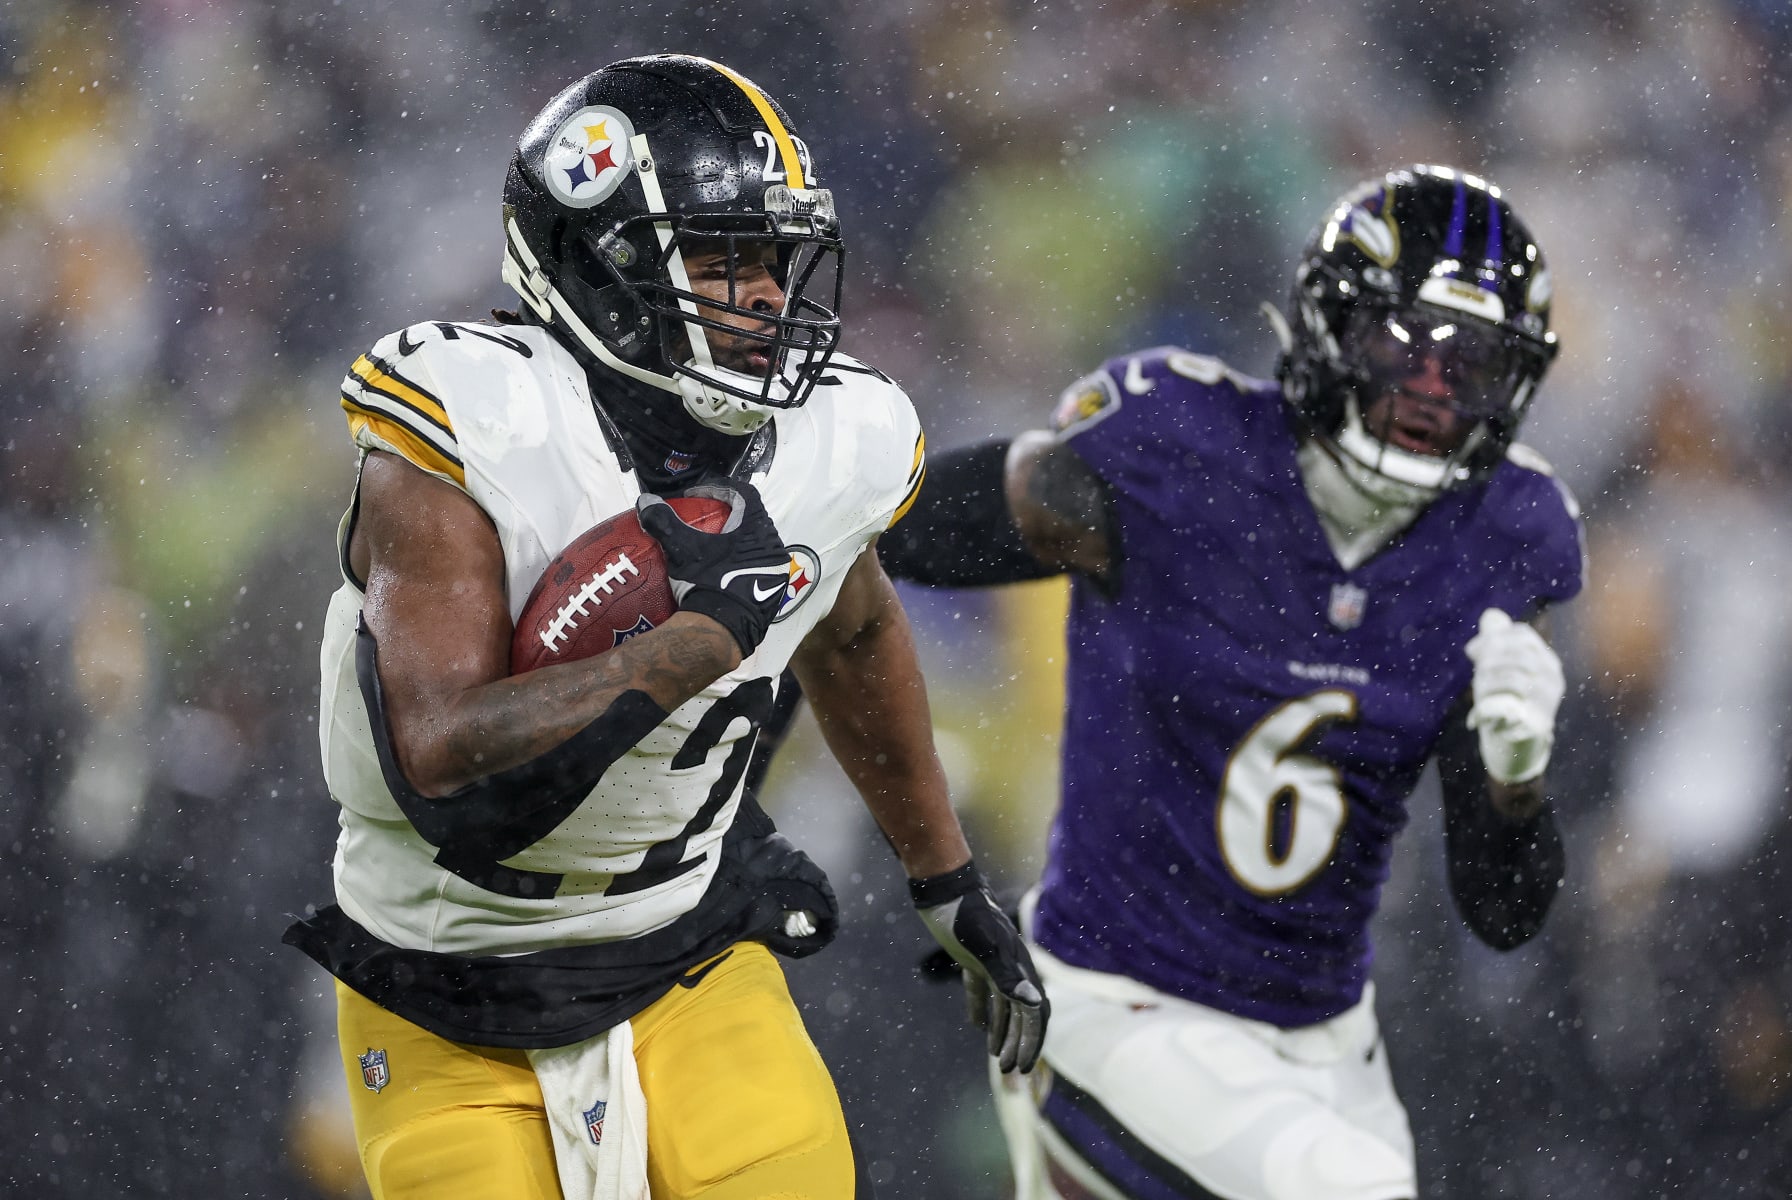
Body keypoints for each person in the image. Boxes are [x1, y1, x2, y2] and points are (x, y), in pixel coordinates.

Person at [283, 54, 1044, 1200]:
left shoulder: (839, 435)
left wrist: (945, 878)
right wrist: (685, 646)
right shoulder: (477, 425)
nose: (767, 301)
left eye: (776, 265)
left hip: (686, 943)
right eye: (726, 262)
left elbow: (855, 631)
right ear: (604, 267)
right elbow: (441, 746)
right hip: (445, 984)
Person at [880, 165, 1582, 1200]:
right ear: (1330, 322)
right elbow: (896, 528)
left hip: (1324, 1039)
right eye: (1407, 344)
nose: (1435, 389)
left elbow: (1505, 912)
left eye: (1471, 362)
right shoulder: (1177, 449)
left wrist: (1516, 780)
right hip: (1116, 999)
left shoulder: (1507, 537)